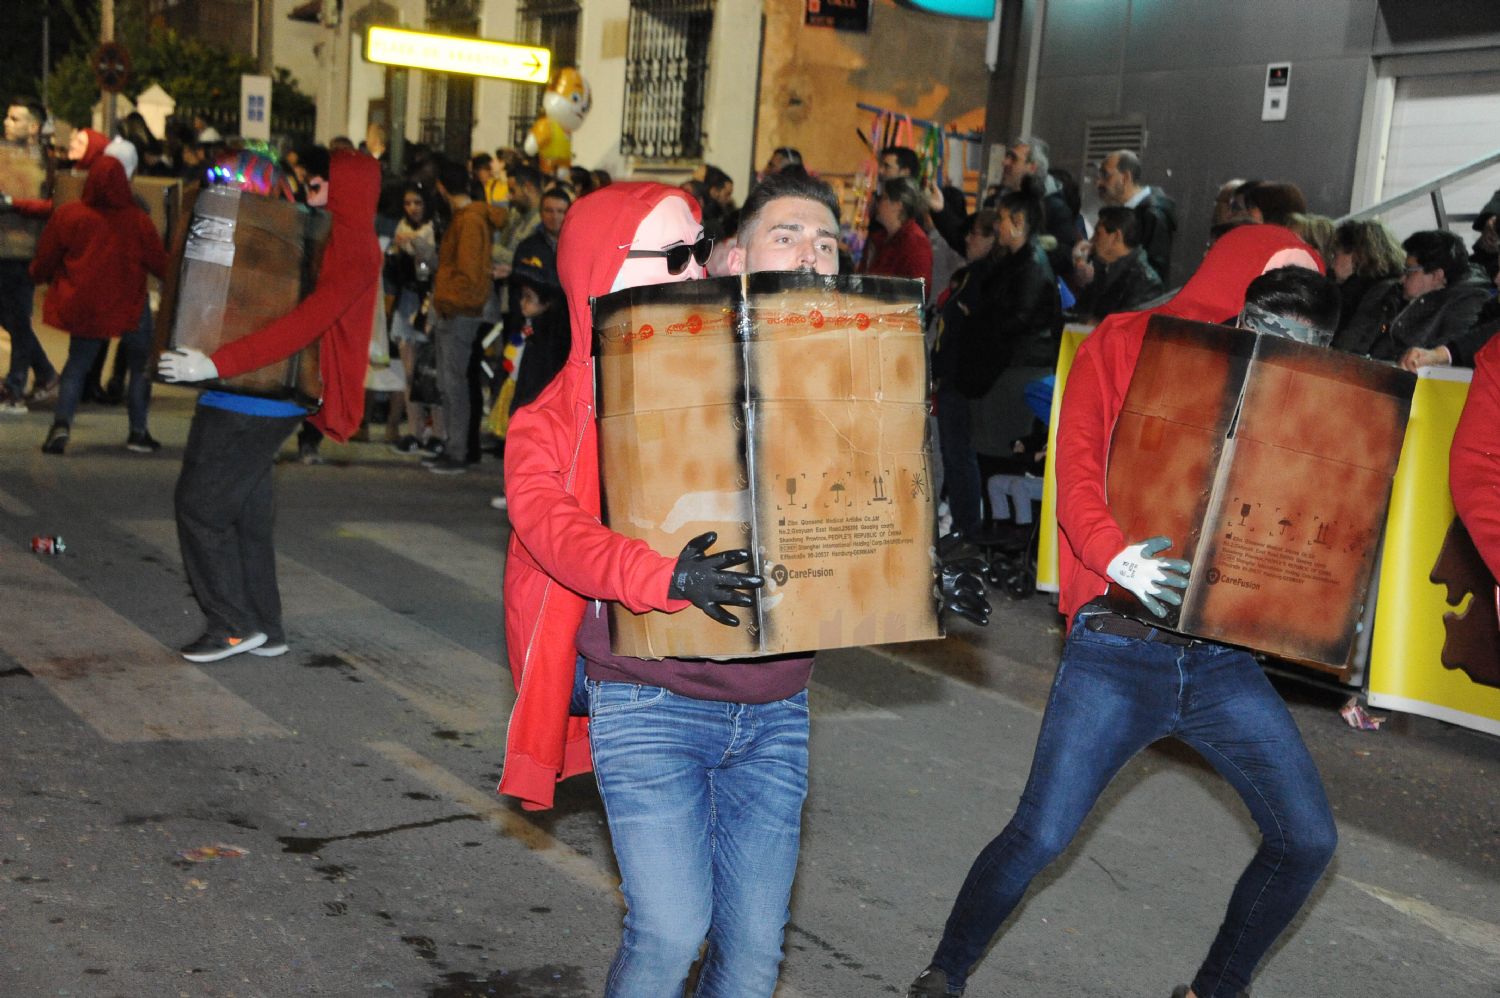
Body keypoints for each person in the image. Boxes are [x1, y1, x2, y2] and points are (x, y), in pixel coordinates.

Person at [501, 171, 986, 996]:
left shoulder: (819, 369)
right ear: (604, 274)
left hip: (776, 709)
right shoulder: (551, 416)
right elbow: (556, 533)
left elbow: (848, 527)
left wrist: (923, 573)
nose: (691, 271)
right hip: (648, 701)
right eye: (676, 255)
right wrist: (662, 576)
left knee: (756, 955)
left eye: (828, 240)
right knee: (670, 929)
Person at [908, 227, 1340, 998]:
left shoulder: (1291, 383)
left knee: (1306, 839)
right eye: (1277, 286)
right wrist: (1111, 555)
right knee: (1040, 833)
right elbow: (1075, 466)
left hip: (1221, 658)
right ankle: (947, 970)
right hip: (1120, 643)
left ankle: (1217, 988)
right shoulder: (1127, 339)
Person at [157, 151, 381, 663]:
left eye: (320, 185)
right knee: (246, 518)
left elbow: (303, 323)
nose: (308, 193)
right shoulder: (327, 235)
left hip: (256, 394)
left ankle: (231, 625)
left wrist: (214, 363)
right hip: (255, 391)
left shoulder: (349, 244)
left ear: (347, 188)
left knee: (200, 508)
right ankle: (264, 626)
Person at [30, 154, 167, 455]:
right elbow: (160, 264)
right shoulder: (138, 221)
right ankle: (138, 431)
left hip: (87, 305)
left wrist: (38, 276)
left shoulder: (69, 215)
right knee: (139, 367)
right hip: (129, 303)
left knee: (77, 365)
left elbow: (47, 257)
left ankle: (61, 426)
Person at [1333, 229, 1491, 370]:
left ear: (1437, 276)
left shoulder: (1466, 306)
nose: (1402, 279)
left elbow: (1438, 362)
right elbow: (1349, 343)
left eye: (1409, 271)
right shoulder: (1389, 292)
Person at [425, 157, 493, 475]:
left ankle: (457, 450)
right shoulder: (469, 218)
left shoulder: (468, 221)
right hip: (456, 309)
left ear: (441, 187)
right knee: (450, 382)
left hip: (459, 312)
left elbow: (466, 273)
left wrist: (447, 302)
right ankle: (455, 446)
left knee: (453, 383)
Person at [0, 97, 60, 414]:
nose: (7, 123)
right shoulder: (4, 154)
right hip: (2, 249)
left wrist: (12, 203)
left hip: (23, 252)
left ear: (33, 126)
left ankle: (15, 388)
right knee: (10, 318)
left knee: (19, 320)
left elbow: (53, 206)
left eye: (15, 118)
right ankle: (47, 374)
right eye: (7, 118)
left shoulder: (45, 161)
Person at [385, 182, 442, 455]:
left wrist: (415, 244)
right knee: (409, 373)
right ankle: (415, 431)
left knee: (430, 373)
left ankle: (438, 432)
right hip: (406, 301)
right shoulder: (401, 228)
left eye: (417, 203)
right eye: (408, 203)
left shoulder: (434, 229)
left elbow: (435, 264)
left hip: (428, 304)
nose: (412, 208)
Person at [1097, 149, 1177, 284]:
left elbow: (1154, 274)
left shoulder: (1153, 215)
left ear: (1125, 177)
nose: (1099, 183)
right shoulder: (1130, 211)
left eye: (1106, 175)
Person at [1071, 204, 1164, 321]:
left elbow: (1130, 326)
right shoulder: (1100, 268)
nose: (1092, 240)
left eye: (1098, 234)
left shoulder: (1146, 282)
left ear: (1116, 236)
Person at [1327, 217, 1403, 340]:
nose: (1331, 264)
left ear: (1355, 254)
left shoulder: (1359, 295)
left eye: (1335, 255)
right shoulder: (1392, 287)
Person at [859, 177, 933, 287]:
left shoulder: (916, 243)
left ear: (897, 205)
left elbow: (918, 293)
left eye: (883, 198)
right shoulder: (881, 238)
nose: (878, 203)